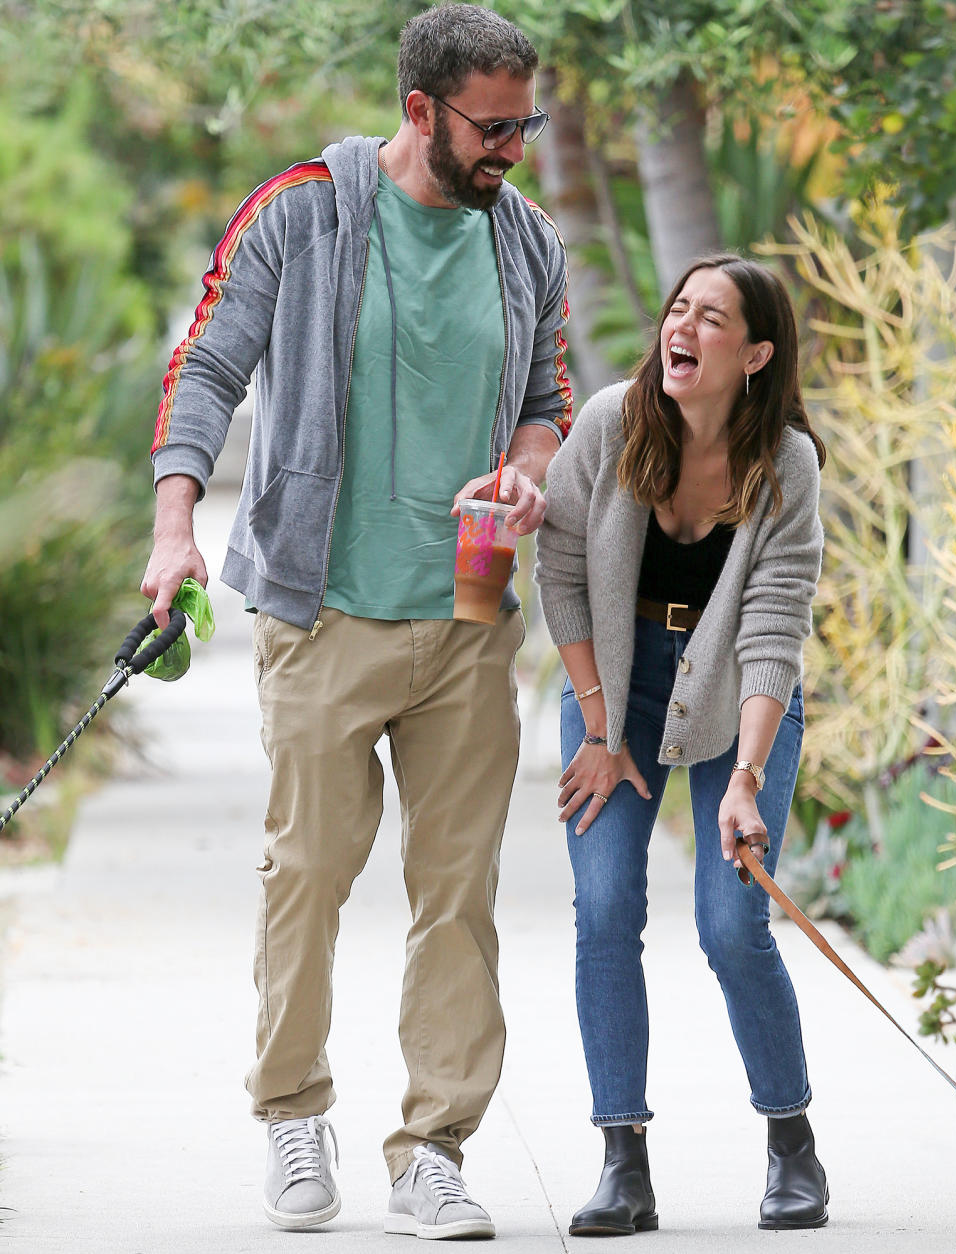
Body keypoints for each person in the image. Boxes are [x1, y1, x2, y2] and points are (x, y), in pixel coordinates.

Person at [141, 3, 571, 1238]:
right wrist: (176, 528)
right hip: (325, 610)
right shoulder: (303, 213)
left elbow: (545, 394)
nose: (512, 150)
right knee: (309, 877)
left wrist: (530, 465)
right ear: (420, 109)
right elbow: (207, 366)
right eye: (492, 128)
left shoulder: (526, 239)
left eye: (524, 125)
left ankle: (433, 1145)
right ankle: (292, 1114)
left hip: (470, 616)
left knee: (456, 893)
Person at [535, 254, 828, 1235]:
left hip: (738, 692)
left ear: (754, 353)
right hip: (615, 684)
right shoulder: (613, 426)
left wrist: (745, 778)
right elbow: (563, 573)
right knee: (607, 906)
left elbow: (774, 629)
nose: (684, 326)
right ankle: (624, 1162)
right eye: (679, 308)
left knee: (732, 922)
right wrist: (599, 726)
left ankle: (792, 1144)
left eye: (712, 317)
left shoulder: (785, 462)